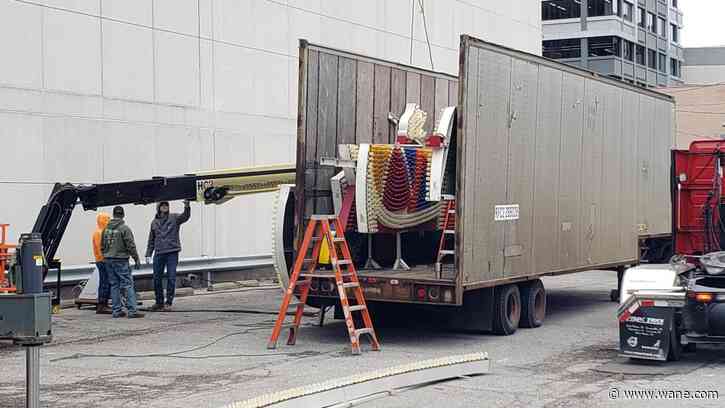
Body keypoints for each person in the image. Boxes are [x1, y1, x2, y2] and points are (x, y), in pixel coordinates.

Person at [145, 200, 191, 311]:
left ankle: (168, 302)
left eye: (166, 205)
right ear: (158, 208)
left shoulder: (174, 218)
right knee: (156, 279)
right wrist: (148, 254)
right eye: (163, 205)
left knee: (171, 277)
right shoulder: (154, 222)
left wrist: (187, 206)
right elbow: (151, 239)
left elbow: (185, 216)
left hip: (172, 252)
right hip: (159, 253)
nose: (165, 206)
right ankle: (159, 302)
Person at [101, 206, 144, 318]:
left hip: (108, 260)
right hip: (121, 260)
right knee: (127, 284)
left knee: (114, 284)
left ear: (113, 215)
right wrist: (136, 258)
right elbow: (131, 245)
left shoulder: (106, 229)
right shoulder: (125, 229)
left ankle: (116, 310)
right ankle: (132, 311)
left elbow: (102, 246)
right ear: (123, 215)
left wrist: (106, 256)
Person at [91, 212, 112, 314]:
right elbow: (101, 248)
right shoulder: (100, 233)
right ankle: (102, 305)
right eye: (107, 219)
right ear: (103, 220)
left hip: (101, 260)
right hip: (103, 260)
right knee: (105, 282)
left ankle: (103, 304)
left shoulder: (100, 231)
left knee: (104, 281)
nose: (109, 221)